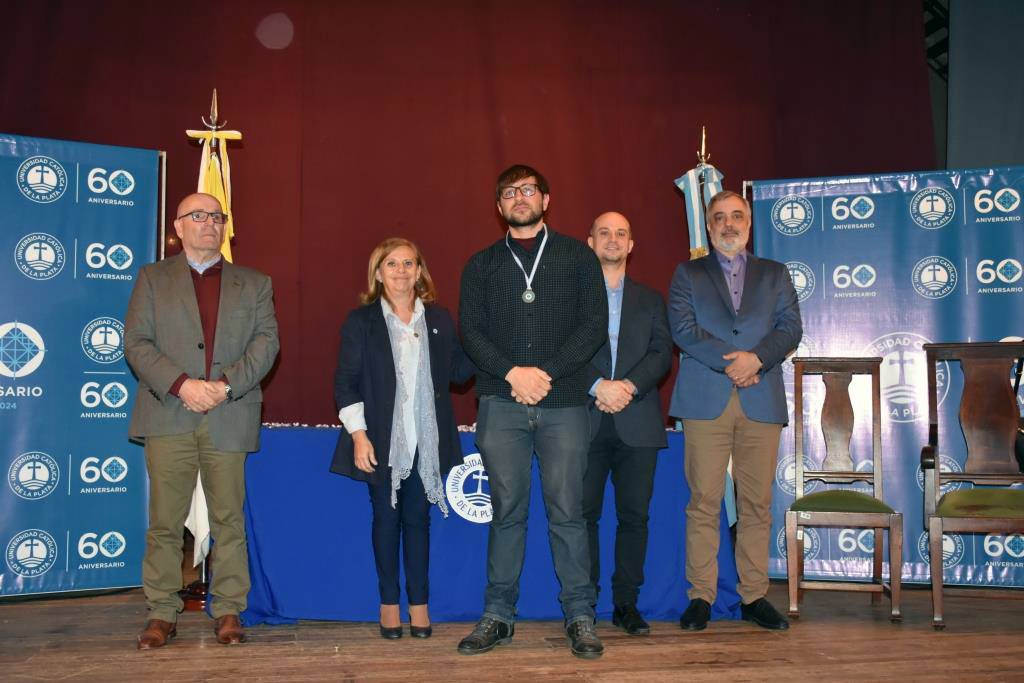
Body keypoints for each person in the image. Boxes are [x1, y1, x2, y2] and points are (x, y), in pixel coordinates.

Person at [457, 164, 608, 658]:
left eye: (527, 190)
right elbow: (471, 333)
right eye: (508, 192)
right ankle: (498, 616)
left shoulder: (578, 258)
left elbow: (592, 326)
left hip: (564, 403)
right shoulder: (480, 265)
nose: (519, 198)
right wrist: (512, 374)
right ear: (498, 206)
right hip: (501, 404)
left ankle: (580, 617)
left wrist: (543, 373)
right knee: (506, 515)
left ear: (546, 198)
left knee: (569, 514)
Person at [125, 192, 280, 649]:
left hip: (229, 413)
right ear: (178, 227)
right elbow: (136, 342)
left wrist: (225, 386)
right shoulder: (152, 278)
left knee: (229, 520)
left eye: (217, 216)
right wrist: (182, 385)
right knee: (165, 523)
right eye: (198, 216)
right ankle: (161, 610)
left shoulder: (254, 283)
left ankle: (229, 608)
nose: (209, 223)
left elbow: (266, 344)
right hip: (169, 411)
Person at [668, 190, 802, 632]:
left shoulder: (776, 274)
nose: (729, 224)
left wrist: (756, 360)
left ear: (749, 224)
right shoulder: (688, 274)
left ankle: (754, 595)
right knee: (704, 500)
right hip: (705, 398)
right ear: (708, 227)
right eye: (719, 217)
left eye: (737, 216)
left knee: (757, 503)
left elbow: (790, 329)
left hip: (760, 397)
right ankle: (701, 595)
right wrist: (737, 360)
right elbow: (683, 330)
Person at [330, 238, 474, 640]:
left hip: (426, 442)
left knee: (418, 523)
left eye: (409, 263)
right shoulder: (361, 322)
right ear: (378, 273)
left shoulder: (440, 319)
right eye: (391, 264)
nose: (401, 271)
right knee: (386, 521)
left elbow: (461, 372)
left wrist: (488, 337)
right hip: (380, 441)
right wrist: (358, 435)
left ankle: (420, 606)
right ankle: (389, 605)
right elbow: (345, 384)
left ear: (419, 271)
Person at [581, 211, 671, 635]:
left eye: (621, 233)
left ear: (631, 245)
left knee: (634, 518)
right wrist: (598, 385)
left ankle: (626, 605)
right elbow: (557, 350)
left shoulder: (651, 299)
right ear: (590, 242)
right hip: (583, 420)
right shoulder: (570, 297)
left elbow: (660, 354)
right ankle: (583, 607)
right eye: (604, 233)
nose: (613, 240)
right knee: (582, 518)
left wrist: (626, 387)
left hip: (638, 420)